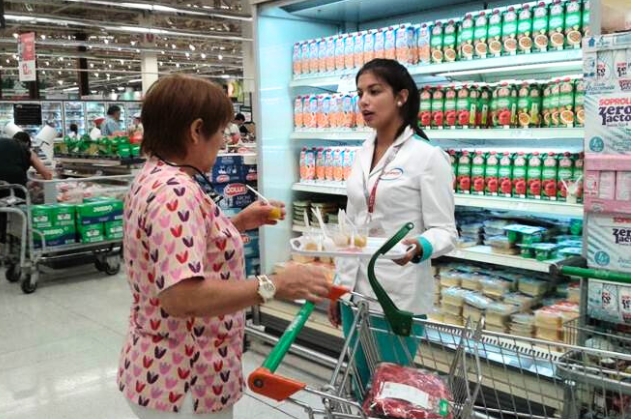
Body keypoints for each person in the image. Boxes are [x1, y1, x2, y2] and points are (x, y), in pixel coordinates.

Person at [118, 74, 330, 419]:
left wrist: (237, 224)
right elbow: (181, 297)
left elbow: (172, 250)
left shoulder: (153, 177)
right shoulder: (176, 191)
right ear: (196, 130)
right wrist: (274, 285)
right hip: (185, 379)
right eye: (220, 132)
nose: (223, 141)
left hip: (158, 365)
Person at [329, 59, 457, 394]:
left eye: (374, 91)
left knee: (388, 390)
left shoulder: (428, 157)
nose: (364, 101)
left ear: (401, 97)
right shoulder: (362, 152)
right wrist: (337, 286)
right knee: (359, 384)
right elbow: (353, 222)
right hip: (352, 292)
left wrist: (420, 247)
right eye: (360, 93)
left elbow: (446, 231)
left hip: (396, 296)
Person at [0, 132, 53, 267]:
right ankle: (18, 250)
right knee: (19, 213)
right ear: (27, 143)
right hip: (15, 182)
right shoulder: (26, 150)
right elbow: (47, 174)